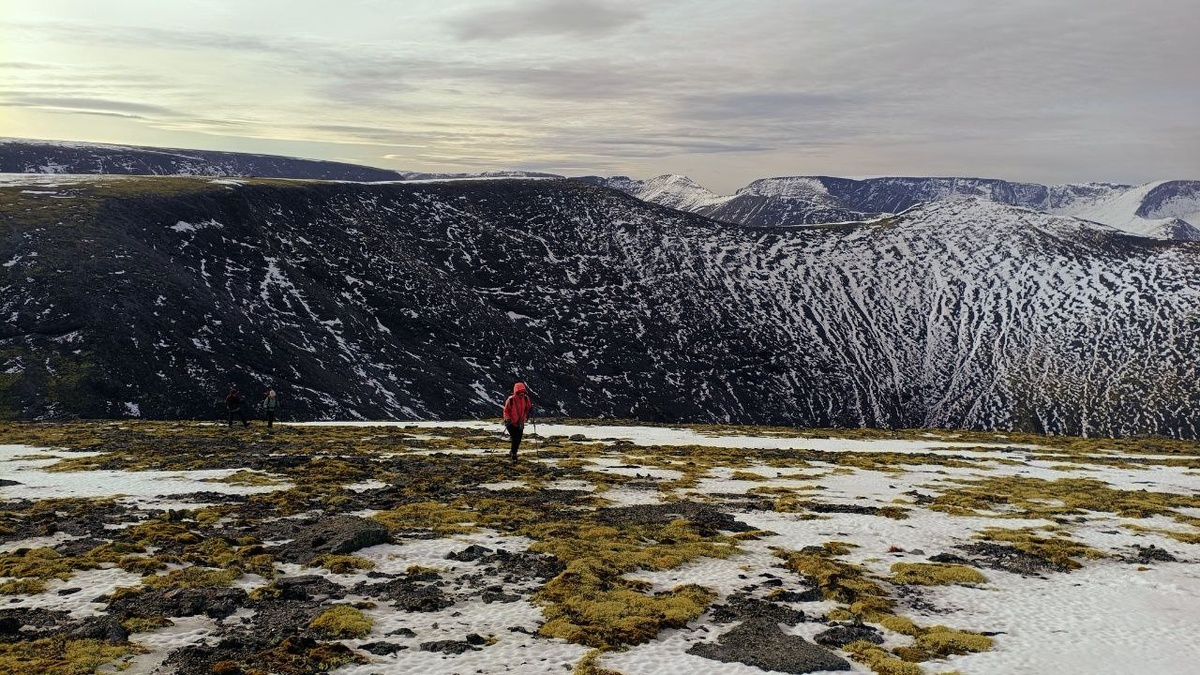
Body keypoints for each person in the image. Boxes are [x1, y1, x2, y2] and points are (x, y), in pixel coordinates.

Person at [502, 381, 533, 462]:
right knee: (515, 438)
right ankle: (514, 455)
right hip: (510, 423)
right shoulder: (511, 399)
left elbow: (528, 407)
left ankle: (512, 452)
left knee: (518, 439)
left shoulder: (526, 398)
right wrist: (507, 419)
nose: (521, 394)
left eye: (523, 392)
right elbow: (506, 411)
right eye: (520, 392)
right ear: (516, 392)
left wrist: (531, 409)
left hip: (520, 423)